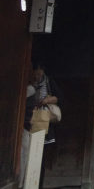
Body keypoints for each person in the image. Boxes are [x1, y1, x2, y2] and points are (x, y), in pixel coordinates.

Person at [32, 60, 62, 188]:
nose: (37, 77)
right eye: (35, 74)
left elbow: (58, 97)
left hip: (43, 119)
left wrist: (46, 100)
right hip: (30, 118)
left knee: (41, 154)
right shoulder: (29, 82)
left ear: (43, 71)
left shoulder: (49, 81)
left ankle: (39, 183)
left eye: (39, 74)